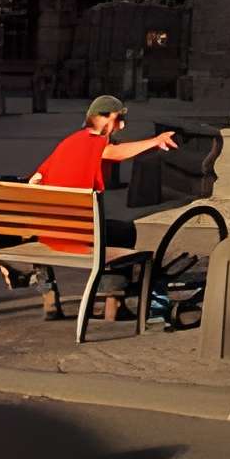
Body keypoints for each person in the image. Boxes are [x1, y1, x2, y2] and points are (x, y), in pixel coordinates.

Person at [29, 96, 179, 322]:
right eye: (119, 120)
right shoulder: (94, 143)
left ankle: (50, 299)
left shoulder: (68, 142)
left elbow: (35, 179)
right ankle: (114, 303)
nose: (122, 126)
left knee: (112, 229)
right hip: (77, 236)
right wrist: (155, 140)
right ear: (104, 119)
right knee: (124, 231)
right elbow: (114, 153)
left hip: (49, 234)